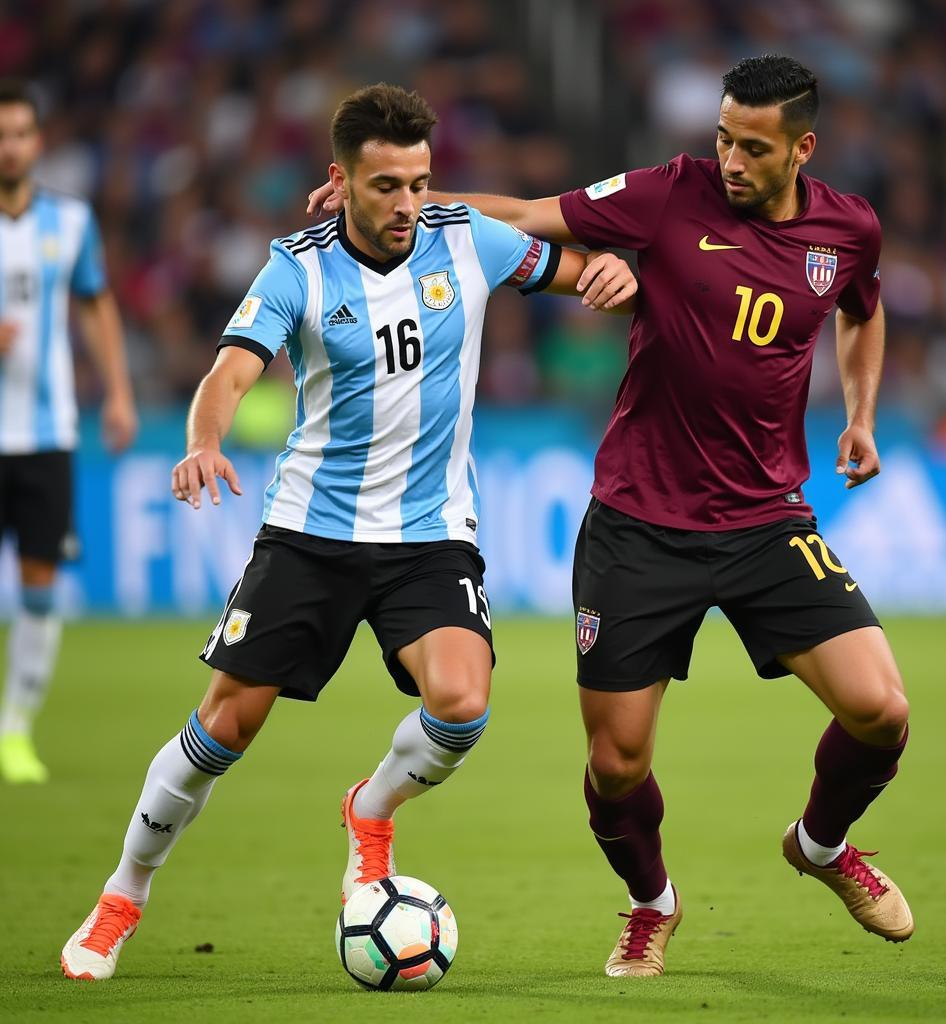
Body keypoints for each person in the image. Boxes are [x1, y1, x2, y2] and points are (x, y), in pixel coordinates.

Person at [311, 53, 914, 978]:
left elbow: (862, 312)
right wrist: (391, 202)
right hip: (639, 524)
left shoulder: (849, 229)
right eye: (722, 138)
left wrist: (863, 415)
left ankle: (823, 846)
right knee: (619, 766)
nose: (731, 160)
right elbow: (520, 214)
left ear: (804, 148)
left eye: (753, 147)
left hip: (768, 519)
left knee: (882, 711)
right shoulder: (671, 194)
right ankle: (650, 903)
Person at [60, 82, 636, 981]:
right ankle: (121, 895)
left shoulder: (466, 241)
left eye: (418, 183)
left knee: (462, 702)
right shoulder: (296, 265)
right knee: (226, 726)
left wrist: (611, 272)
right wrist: (204, 441)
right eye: (386, 187)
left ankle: (370, 812)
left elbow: (575, 268)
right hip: (310, 533)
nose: (406, 204)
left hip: (431, 534)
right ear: (341, 180)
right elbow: (230, 371)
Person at [0, 81, 136, 785]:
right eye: (2, 134)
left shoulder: (71, 223)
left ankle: (15, 729)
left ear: (38, 141)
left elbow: (94, 306)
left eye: (20, 132)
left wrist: (116, 392)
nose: (11, 145)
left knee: (40, 586)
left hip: (48, 432)